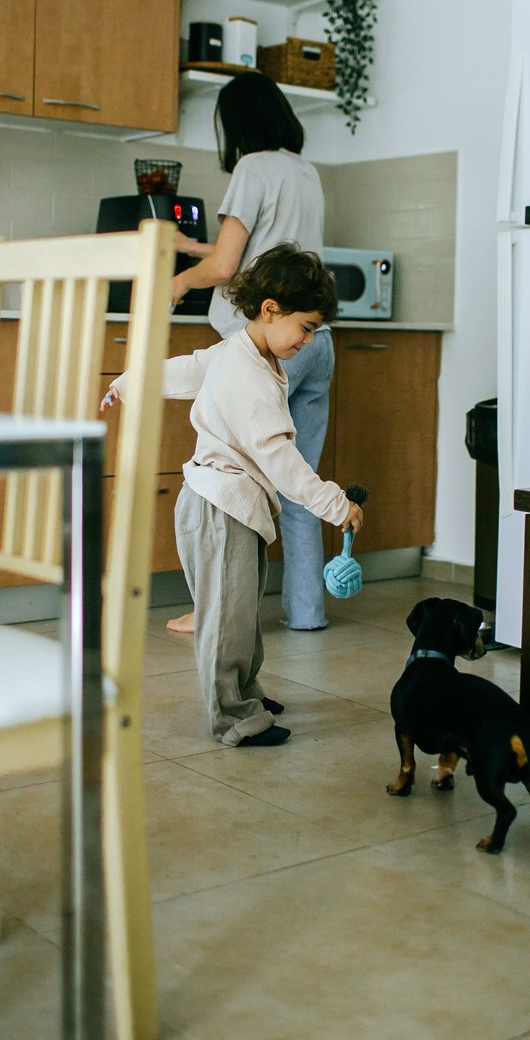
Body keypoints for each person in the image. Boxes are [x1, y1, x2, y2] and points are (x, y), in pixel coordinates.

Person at [101, 244, 363, 748]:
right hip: (219, 509)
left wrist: (127, 384)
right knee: (225, 622)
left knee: (239, 612)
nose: (308, 341)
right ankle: (233, 718)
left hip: (225, 507)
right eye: (306, 328)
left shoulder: (237, 353)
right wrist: (336, 505)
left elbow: (179, 370)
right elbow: (284, 463)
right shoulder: (253, 380)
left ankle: (247, 693)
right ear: (270, 310)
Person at [163, 70, 334, 634]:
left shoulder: (252, 167)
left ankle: (211, 608)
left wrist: (182, 278)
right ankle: (306, 613)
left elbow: (228, 267)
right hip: (315, 341)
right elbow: (263, 253)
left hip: (264, 344)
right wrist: (191, 244)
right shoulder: (304, 172)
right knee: (297, 478)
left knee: (223, 476)